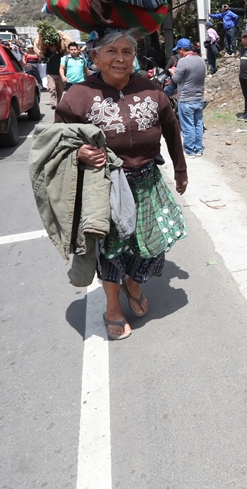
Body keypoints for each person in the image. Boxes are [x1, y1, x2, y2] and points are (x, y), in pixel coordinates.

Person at [55, 28, 188, 340]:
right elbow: (57, 140)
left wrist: (180, 171)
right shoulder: (78, 95)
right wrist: (78, 151)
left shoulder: (151, 89)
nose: (120, 58)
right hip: (105, 187)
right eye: (111, 51)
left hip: (148, 181)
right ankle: (112, 306)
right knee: (111, 251)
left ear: (134, 57)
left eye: (126, 52)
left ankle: (135, 281)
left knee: (151, 246)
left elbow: (172, 130)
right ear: (95, 57)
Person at [171, 38, 206, 157]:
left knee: (188, 125)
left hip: (186, 99)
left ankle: (190, 150)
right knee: (198, 124)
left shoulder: (183, 62)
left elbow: (176, 79)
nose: (178, 53)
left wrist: (173, 72)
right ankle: (199, 149)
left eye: (178, 50)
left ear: (182, 50)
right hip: (199, 97)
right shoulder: (201, 60)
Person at [44, 43, 65, 108]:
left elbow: (63, 48)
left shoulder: (59, 52)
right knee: (52, 88)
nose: (53, 48)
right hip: (50, 74)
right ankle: (53, 103)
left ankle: (58, 102)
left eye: (54, 47)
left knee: (60, 90)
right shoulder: (46, 53)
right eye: (51, 47)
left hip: (59, 74)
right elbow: (42, 48)